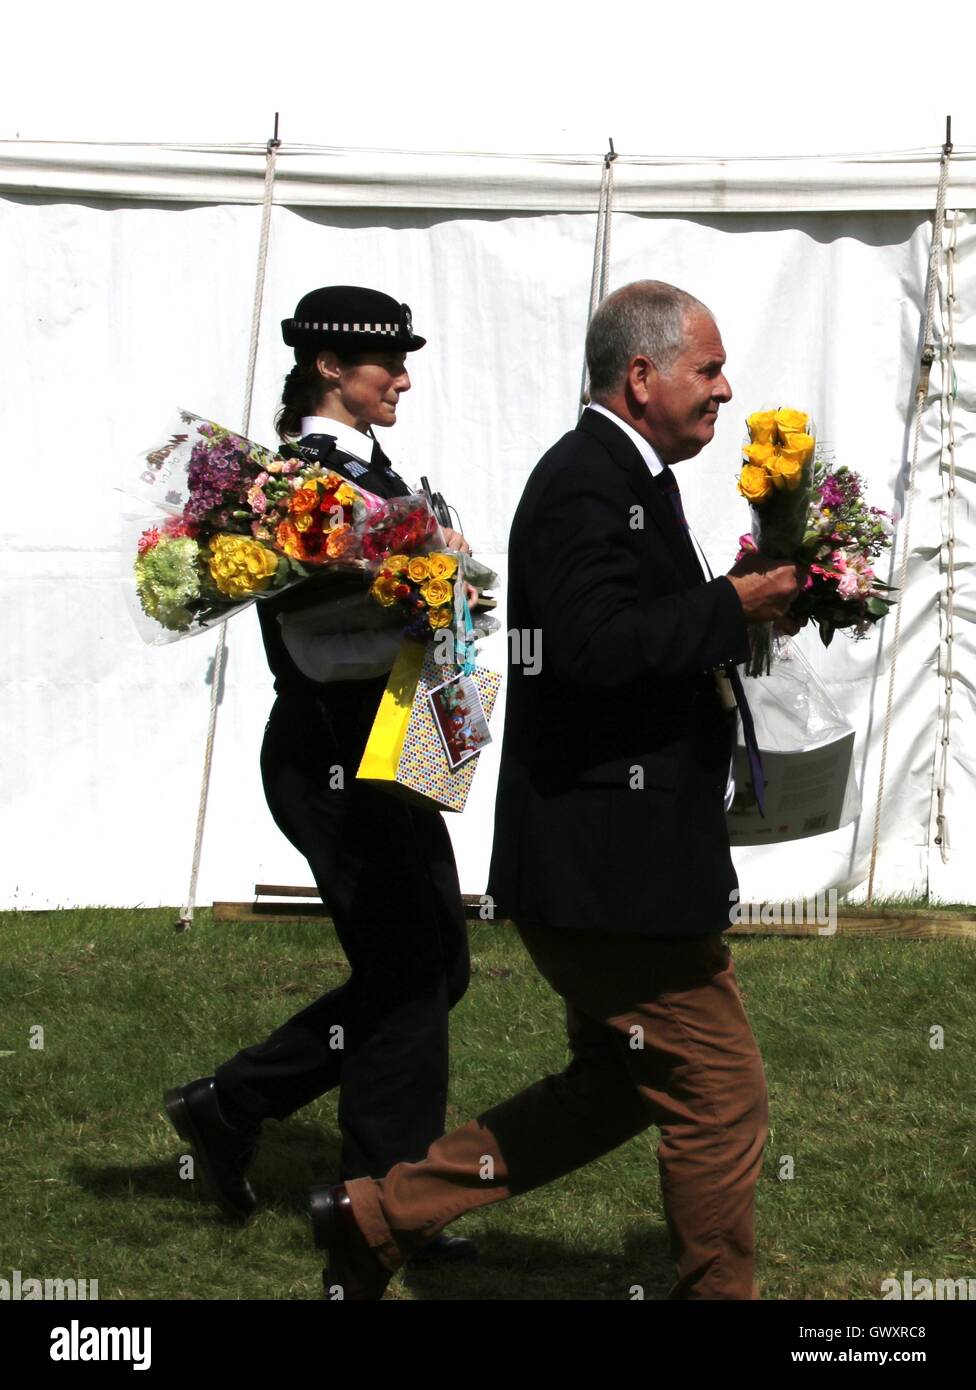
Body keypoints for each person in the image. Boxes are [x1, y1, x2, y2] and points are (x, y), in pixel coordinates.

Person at [307, 280, 802, 1299]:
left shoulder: (628, 474)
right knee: (721, 1100)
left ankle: (376, 1215)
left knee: (613, 1087)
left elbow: (631, 639)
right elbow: (585, 648)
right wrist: (726, 605)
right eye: (705, 370)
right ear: (641, 374)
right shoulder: (584, 481)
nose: (722, 389)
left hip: (610, 861)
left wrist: (746, 611)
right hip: (608, 871)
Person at [165, 285, 477, 1265]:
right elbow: (312, 637)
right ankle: (384, 1207)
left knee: (433, 965)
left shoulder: (366, 473)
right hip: (331, 746)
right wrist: (415, 591)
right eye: (388, 361)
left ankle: (233, 1106)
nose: (404, 377)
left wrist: (442, 584)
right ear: (330, 368)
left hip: (383, 734)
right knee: (409, 975)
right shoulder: (290, 479)